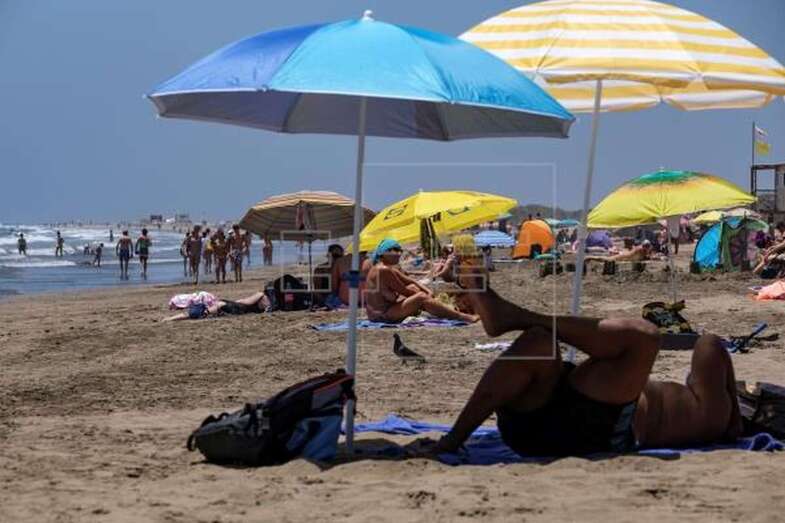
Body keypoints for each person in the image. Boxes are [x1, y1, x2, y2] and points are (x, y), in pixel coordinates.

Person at [409, 263, 743, 458]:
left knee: (644, 338)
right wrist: (732, 398)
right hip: (548, 422)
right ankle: (508, 315)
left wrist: (732, 403)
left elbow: (709, 345)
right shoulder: (706, 415)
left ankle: (515, 315)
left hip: (605, 426)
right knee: (540, 343)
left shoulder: (714, 414)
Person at [364, 239, 478, 324]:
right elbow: (405, 291)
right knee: (420, 297)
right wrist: (427, 296)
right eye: (395, 250)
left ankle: (450, 311)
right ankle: (462, 317)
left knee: (418, 292)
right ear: (384, 253)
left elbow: (410, 280)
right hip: (381, 316)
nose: (399, 254)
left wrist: (428, 292)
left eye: (400, 250)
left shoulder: (386, 268)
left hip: (385, 311)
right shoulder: (383, 270)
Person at [163, 291, 271, 321]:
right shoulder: (267, 303)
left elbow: (246, 301)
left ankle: (169, 319)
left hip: (235, 308)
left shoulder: (261, 295)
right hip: (235, 308)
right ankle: (170, 318)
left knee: (194, 313)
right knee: (192, 313)